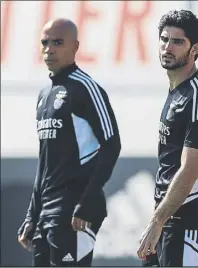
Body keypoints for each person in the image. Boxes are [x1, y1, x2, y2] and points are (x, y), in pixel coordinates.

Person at [17, 18, 121, 267]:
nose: (49, 49)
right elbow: (45, 162)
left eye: (57, 42)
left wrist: (86, 203)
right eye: (44, 42)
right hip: (46, 214)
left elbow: (112, 144)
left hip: (75, 211)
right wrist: (32, 214)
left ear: (75, 46)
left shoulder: (85, 87)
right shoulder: (44, 95)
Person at [137, 10, 198, 267]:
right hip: (166, 220)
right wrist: (158, 219)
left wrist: (156, 222)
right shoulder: (176, 92)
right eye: (164, 39)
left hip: (191, 222)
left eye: (178, 42)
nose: (167, 47)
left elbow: (190, 169)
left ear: (195, 48)